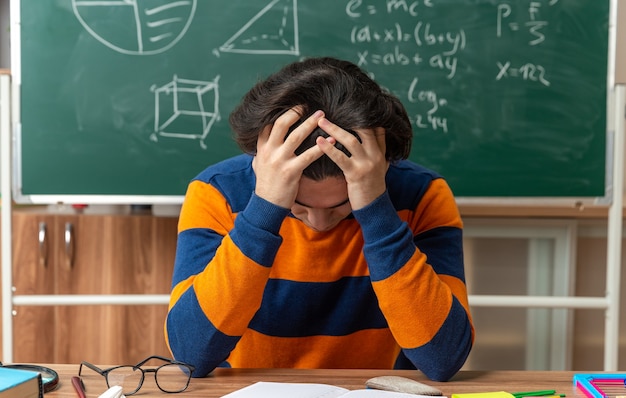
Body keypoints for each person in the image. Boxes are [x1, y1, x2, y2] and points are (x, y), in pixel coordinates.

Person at [165, 57, 474, 382]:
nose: (319, 222)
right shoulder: (217, 193)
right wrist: (265, 208)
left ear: (381, 165)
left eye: (341, 205)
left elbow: (442, 359)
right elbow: (191, 356)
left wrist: (375, 210)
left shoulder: (423, 195)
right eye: (298, 205)